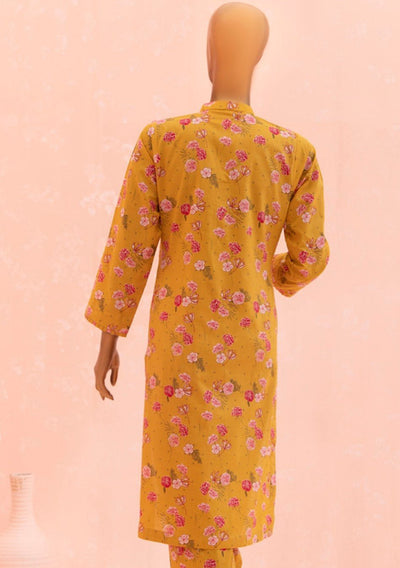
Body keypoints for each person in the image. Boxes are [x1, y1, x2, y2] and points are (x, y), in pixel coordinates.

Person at [84, 2, 330, 567]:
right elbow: (311, 254)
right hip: (249, 344)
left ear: (209, 53)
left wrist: (107, 340)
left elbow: (130, 247)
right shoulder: (293, 152)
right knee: (227, 480)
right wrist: (270, 275)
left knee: (188, 480)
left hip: (181, 340)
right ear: (260, 56)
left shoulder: (163, 140)